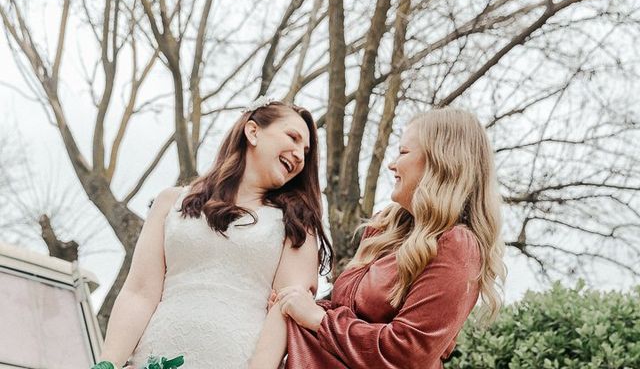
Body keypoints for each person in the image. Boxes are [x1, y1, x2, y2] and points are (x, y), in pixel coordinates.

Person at [97, 99, 332, 368]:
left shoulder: (297, 224)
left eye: (305, 151)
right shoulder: (170, 202)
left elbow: (284, 311)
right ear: (253, 131)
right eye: (292, 137)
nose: (300, 155)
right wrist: (109, 362)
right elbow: (140, 292)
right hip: (156, 355)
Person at [275, 107, 506, 369]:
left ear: (441, 162)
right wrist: (296, 302)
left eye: (404, 152)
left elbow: (407, 352)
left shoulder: (458, 245)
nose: (392, 164)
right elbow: (345, 311)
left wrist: (318, 319)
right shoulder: (385, 230)